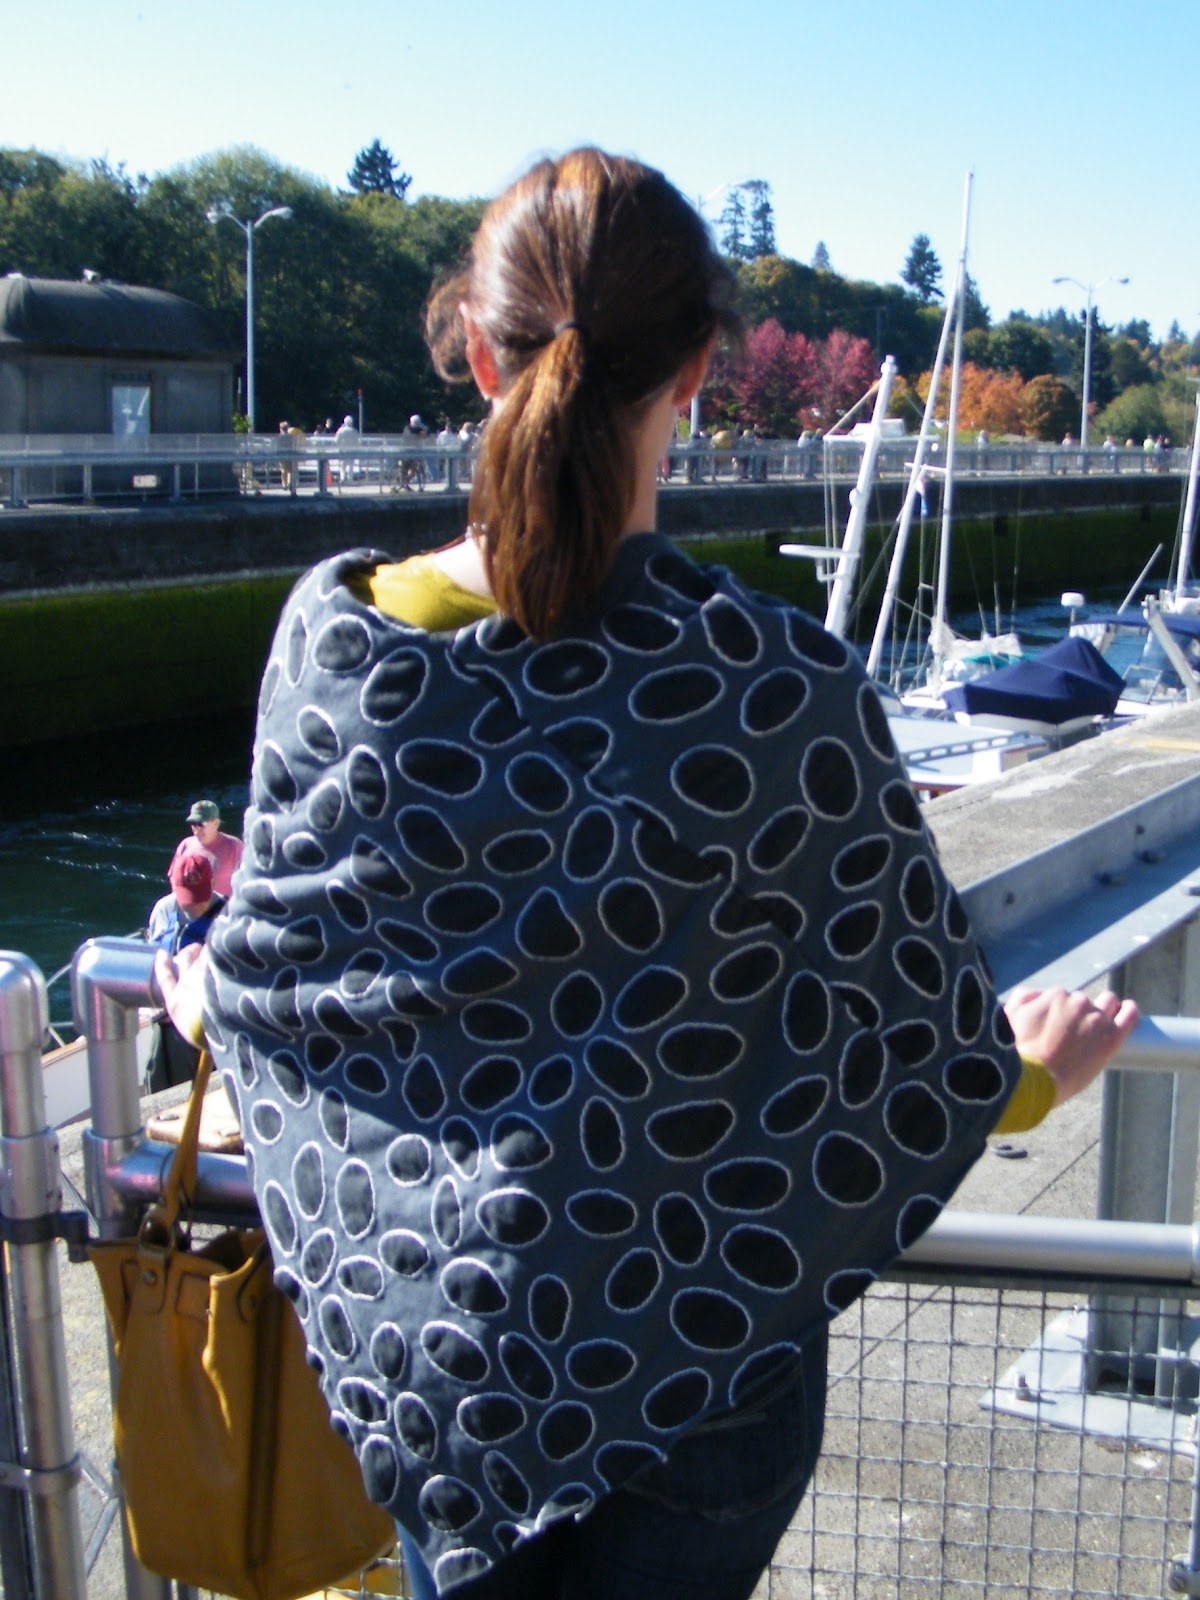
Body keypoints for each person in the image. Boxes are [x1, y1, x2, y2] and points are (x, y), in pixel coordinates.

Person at [157, 148, 1138, 1600]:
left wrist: (202, 999)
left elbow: (280, 979)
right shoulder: (773, 692)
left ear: (476, 353)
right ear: (695, 372)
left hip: (432, 1366)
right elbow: (918, 1043)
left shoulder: (334, 648)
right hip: (697, 1376)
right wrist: (1034, 1078)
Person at [146, 845, 226, 1090]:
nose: (194, 906)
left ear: (213, 884)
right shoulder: (164, 910)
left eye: (200, 897)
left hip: (206, 1018)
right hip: (167, 1016)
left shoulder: (228, 915)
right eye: (188, 897)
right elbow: (154, 957)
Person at [171, 798, 243, 897]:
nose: (197, 829)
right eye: (193, 824)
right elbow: (174, 878)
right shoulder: (185, 845)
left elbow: (249, 878)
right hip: (191, 905)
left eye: (201, 824)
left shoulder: (235, 846)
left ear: (216, 823)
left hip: (225, 905)